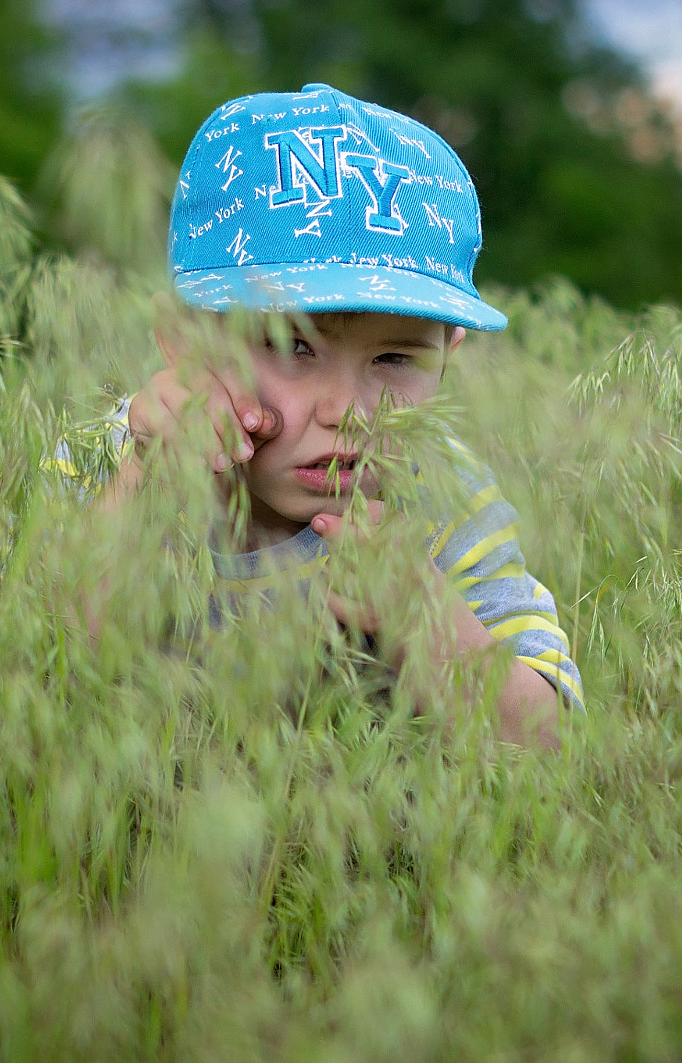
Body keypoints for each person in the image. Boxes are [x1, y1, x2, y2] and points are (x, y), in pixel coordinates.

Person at [67, 83, 581, 749]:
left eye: (394, 359)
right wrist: (149, 493)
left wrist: (423, 618)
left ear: (449, 354)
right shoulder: (120, 454)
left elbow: (553, 741)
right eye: (294, 345)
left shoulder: (440, 496)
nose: (346, 412)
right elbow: (16, 663)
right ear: (182, 340)